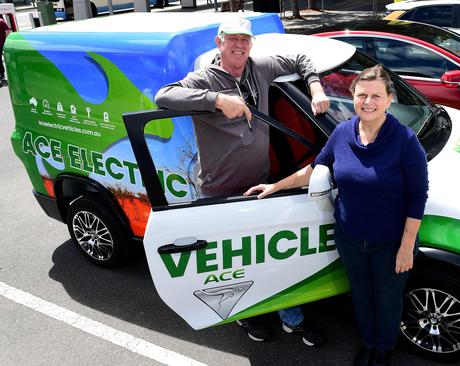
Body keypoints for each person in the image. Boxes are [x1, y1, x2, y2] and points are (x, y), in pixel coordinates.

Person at [154, 14, 330, 346]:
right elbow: (163, 97)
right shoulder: (203, 78)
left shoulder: (260, 67)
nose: (239, 45)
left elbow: (301, 59)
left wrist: (316, 86)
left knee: (274, 261)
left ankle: (291, 318)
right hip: (219, 193)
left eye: (245, 40)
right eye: (232, 39)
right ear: (219, 43)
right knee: (230, 267)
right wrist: (216, 100)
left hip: (260, 188)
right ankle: (244, 315)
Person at [245, 65, 429, 366]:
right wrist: (276, 185)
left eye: (376, 96)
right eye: (362, 95)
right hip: (350, 238)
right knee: (361, 294)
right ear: (352, 97)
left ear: (389, 99)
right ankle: (368, 342)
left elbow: (417, 196)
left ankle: (383, 348)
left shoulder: (405, 141)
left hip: (391, 243)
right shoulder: (343, 132)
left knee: (387, 299)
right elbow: (315, 168)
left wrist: (407, 246)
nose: (368, 102)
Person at [0, 15, 12, 86]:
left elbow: (7, 31)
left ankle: (2, 76)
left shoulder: (1, 21)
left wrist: (5, 42)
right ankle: (2, 76)